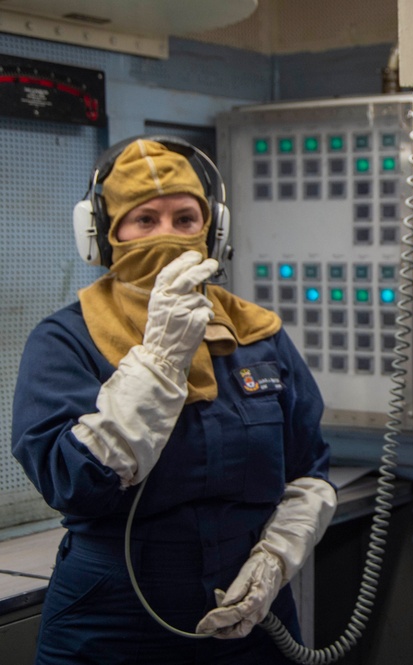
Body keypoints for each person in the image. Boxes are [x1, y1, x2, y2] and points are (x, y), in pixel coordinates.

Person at [11, 137, 337, 664]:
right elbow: (67, 480)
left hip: (245, 609)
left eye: (185, 218)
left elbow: (311, 471)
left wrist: (275, 559)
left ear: (213, 231)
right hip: (111, 614)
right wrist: (160, 360)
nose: (167, 235)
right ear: (103, 236)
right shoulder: (65, 340)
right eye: (144, 220)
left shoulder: (258, 335)